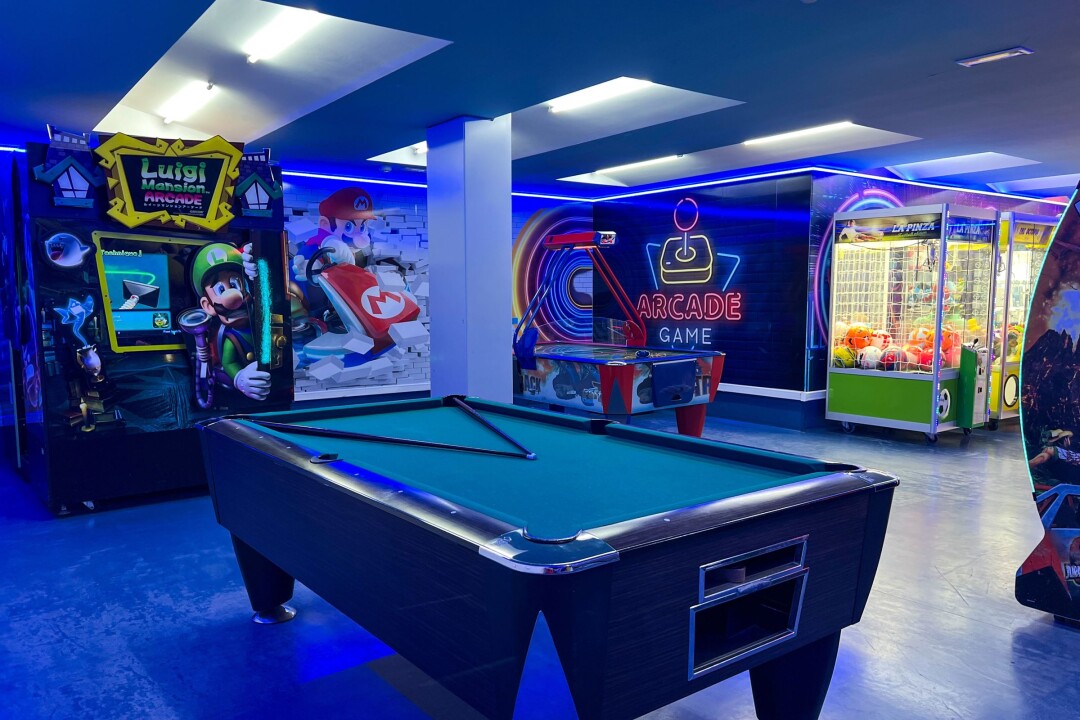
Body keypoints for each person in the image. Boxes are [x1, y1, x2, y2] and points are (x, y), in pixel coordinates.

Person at [191, 243, 270, 402]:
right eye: (220, 290)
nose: (234, 297)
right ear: (208, 306)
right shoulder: (230, 338)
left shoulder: (261, 322)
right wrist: (240, 378)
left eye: (235, 284)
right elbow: (229, 362)